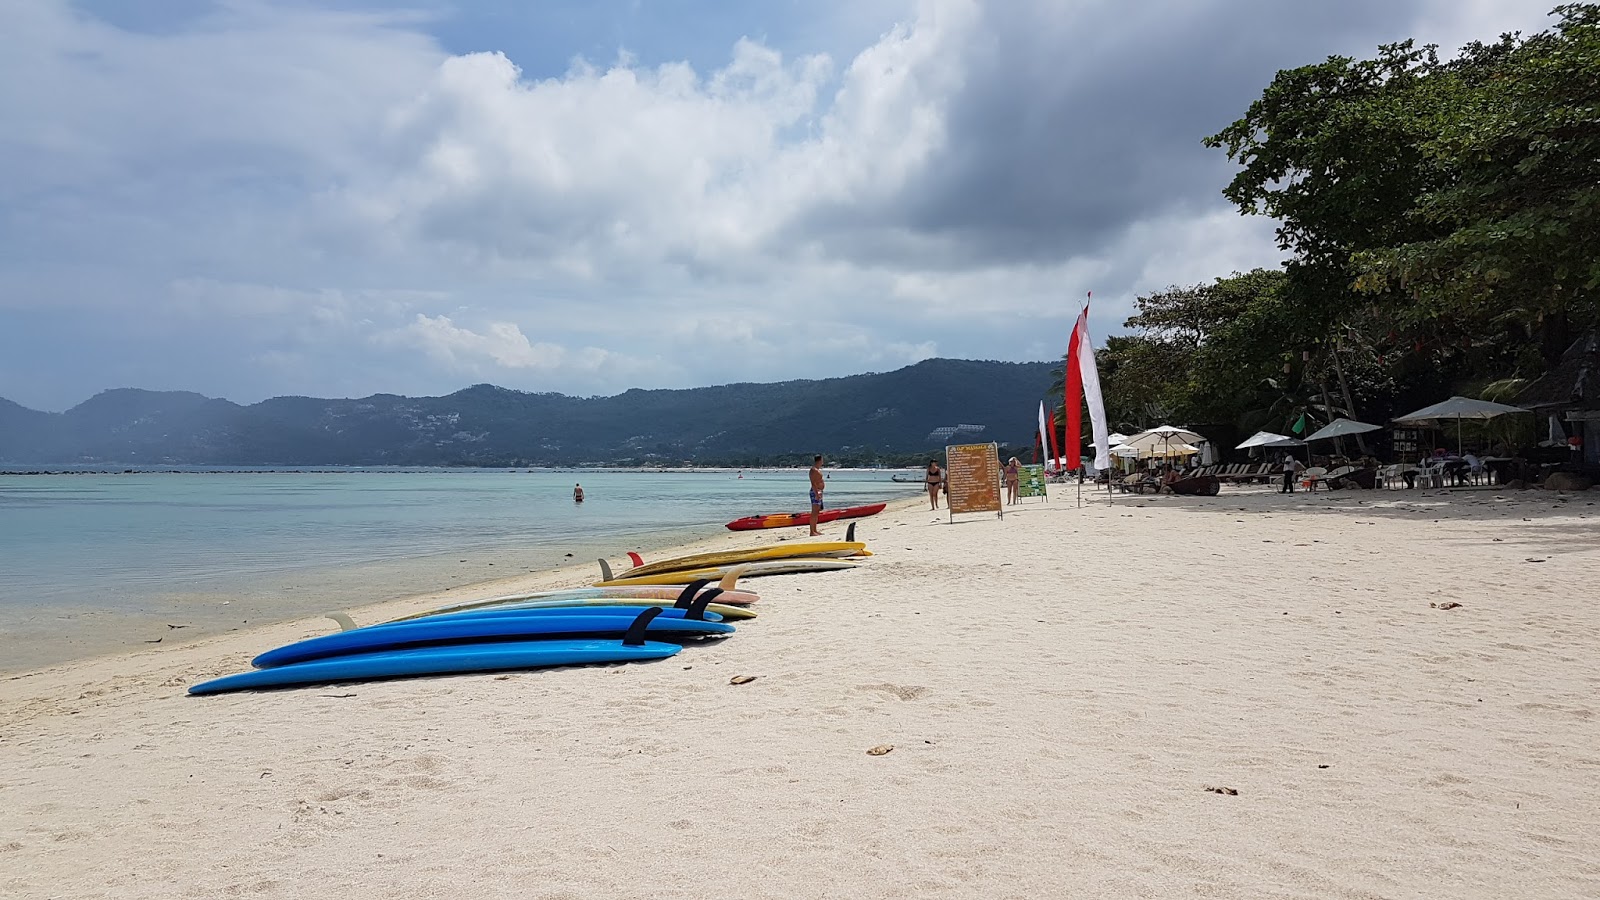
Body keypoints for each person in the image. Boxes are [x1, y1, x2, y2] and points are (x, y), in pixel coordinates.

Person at [808, 455, 825, 536]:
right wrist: (816, 493)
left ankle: (815, 530)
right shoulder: (814, 470)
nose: (823, 461)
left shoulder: (817, 470)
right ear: (820, 460)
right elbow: (813, 483)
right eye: (822, 460)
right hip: (816, 492)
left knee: (817, 511)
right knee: (814, 512)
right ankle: (812, 531)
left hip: (819, 491)